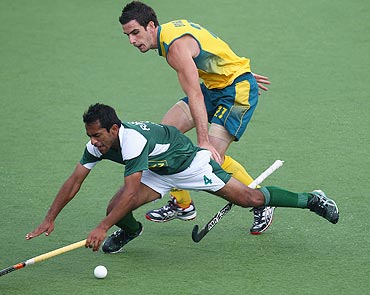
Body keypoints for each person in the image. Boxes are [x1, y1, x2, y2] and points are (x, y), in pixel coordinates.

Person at [26, 103, 339, 253]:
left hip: (189, 164)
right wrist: (49, 218)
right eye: (90, 136)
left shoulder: (132, 140)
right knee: (115, 208)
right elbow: (74, 181)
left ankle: (312, 200)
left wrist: (100, 228)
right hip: (157, 170)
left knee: (251, 199)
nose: (94, 141)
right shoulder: (97, 144)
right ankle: (131, 231)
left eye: (97, 135)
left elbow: (133, 194)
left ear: (114, 128)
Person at [118, 1, 275, 234]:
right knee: (162, 139)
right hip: (215, 86)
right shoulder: (169, 31)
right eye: (128, 35)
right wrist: (233, 67)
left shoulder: (174, 49)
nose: (132, 40)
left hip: (235, 93)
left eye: (135, 33)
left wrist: (203, 141)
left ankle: (261, 200)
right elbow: (210, 44)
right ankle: (183, 204)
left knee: (211, 158)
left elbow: (194, 95)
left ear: (151, 26)